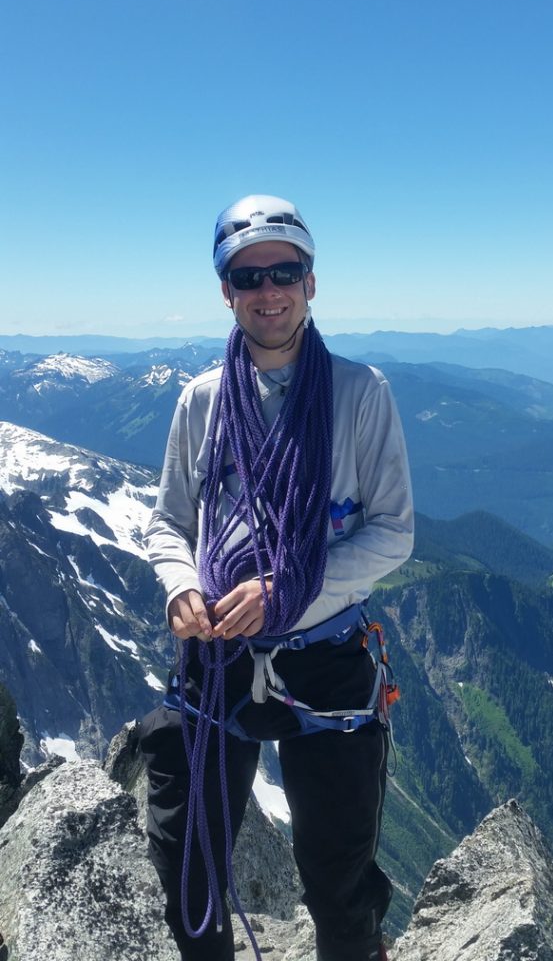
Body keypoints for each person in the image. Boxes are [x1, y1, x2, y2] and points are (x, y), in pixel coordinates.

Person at [139, 194, 414, 961]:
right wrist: (180, 583)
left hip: (322, 657)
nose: (268, 291)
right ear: (226, 291)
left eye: (284, 271)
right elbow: (170, 523)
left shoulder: (361, 394)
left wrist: (286, 592)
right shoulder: (201, 401)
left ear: (311, 282)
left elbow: (395, 531)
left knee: (338, 876)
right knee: (187, 857)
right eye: (248, 276)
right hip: (219, 655)